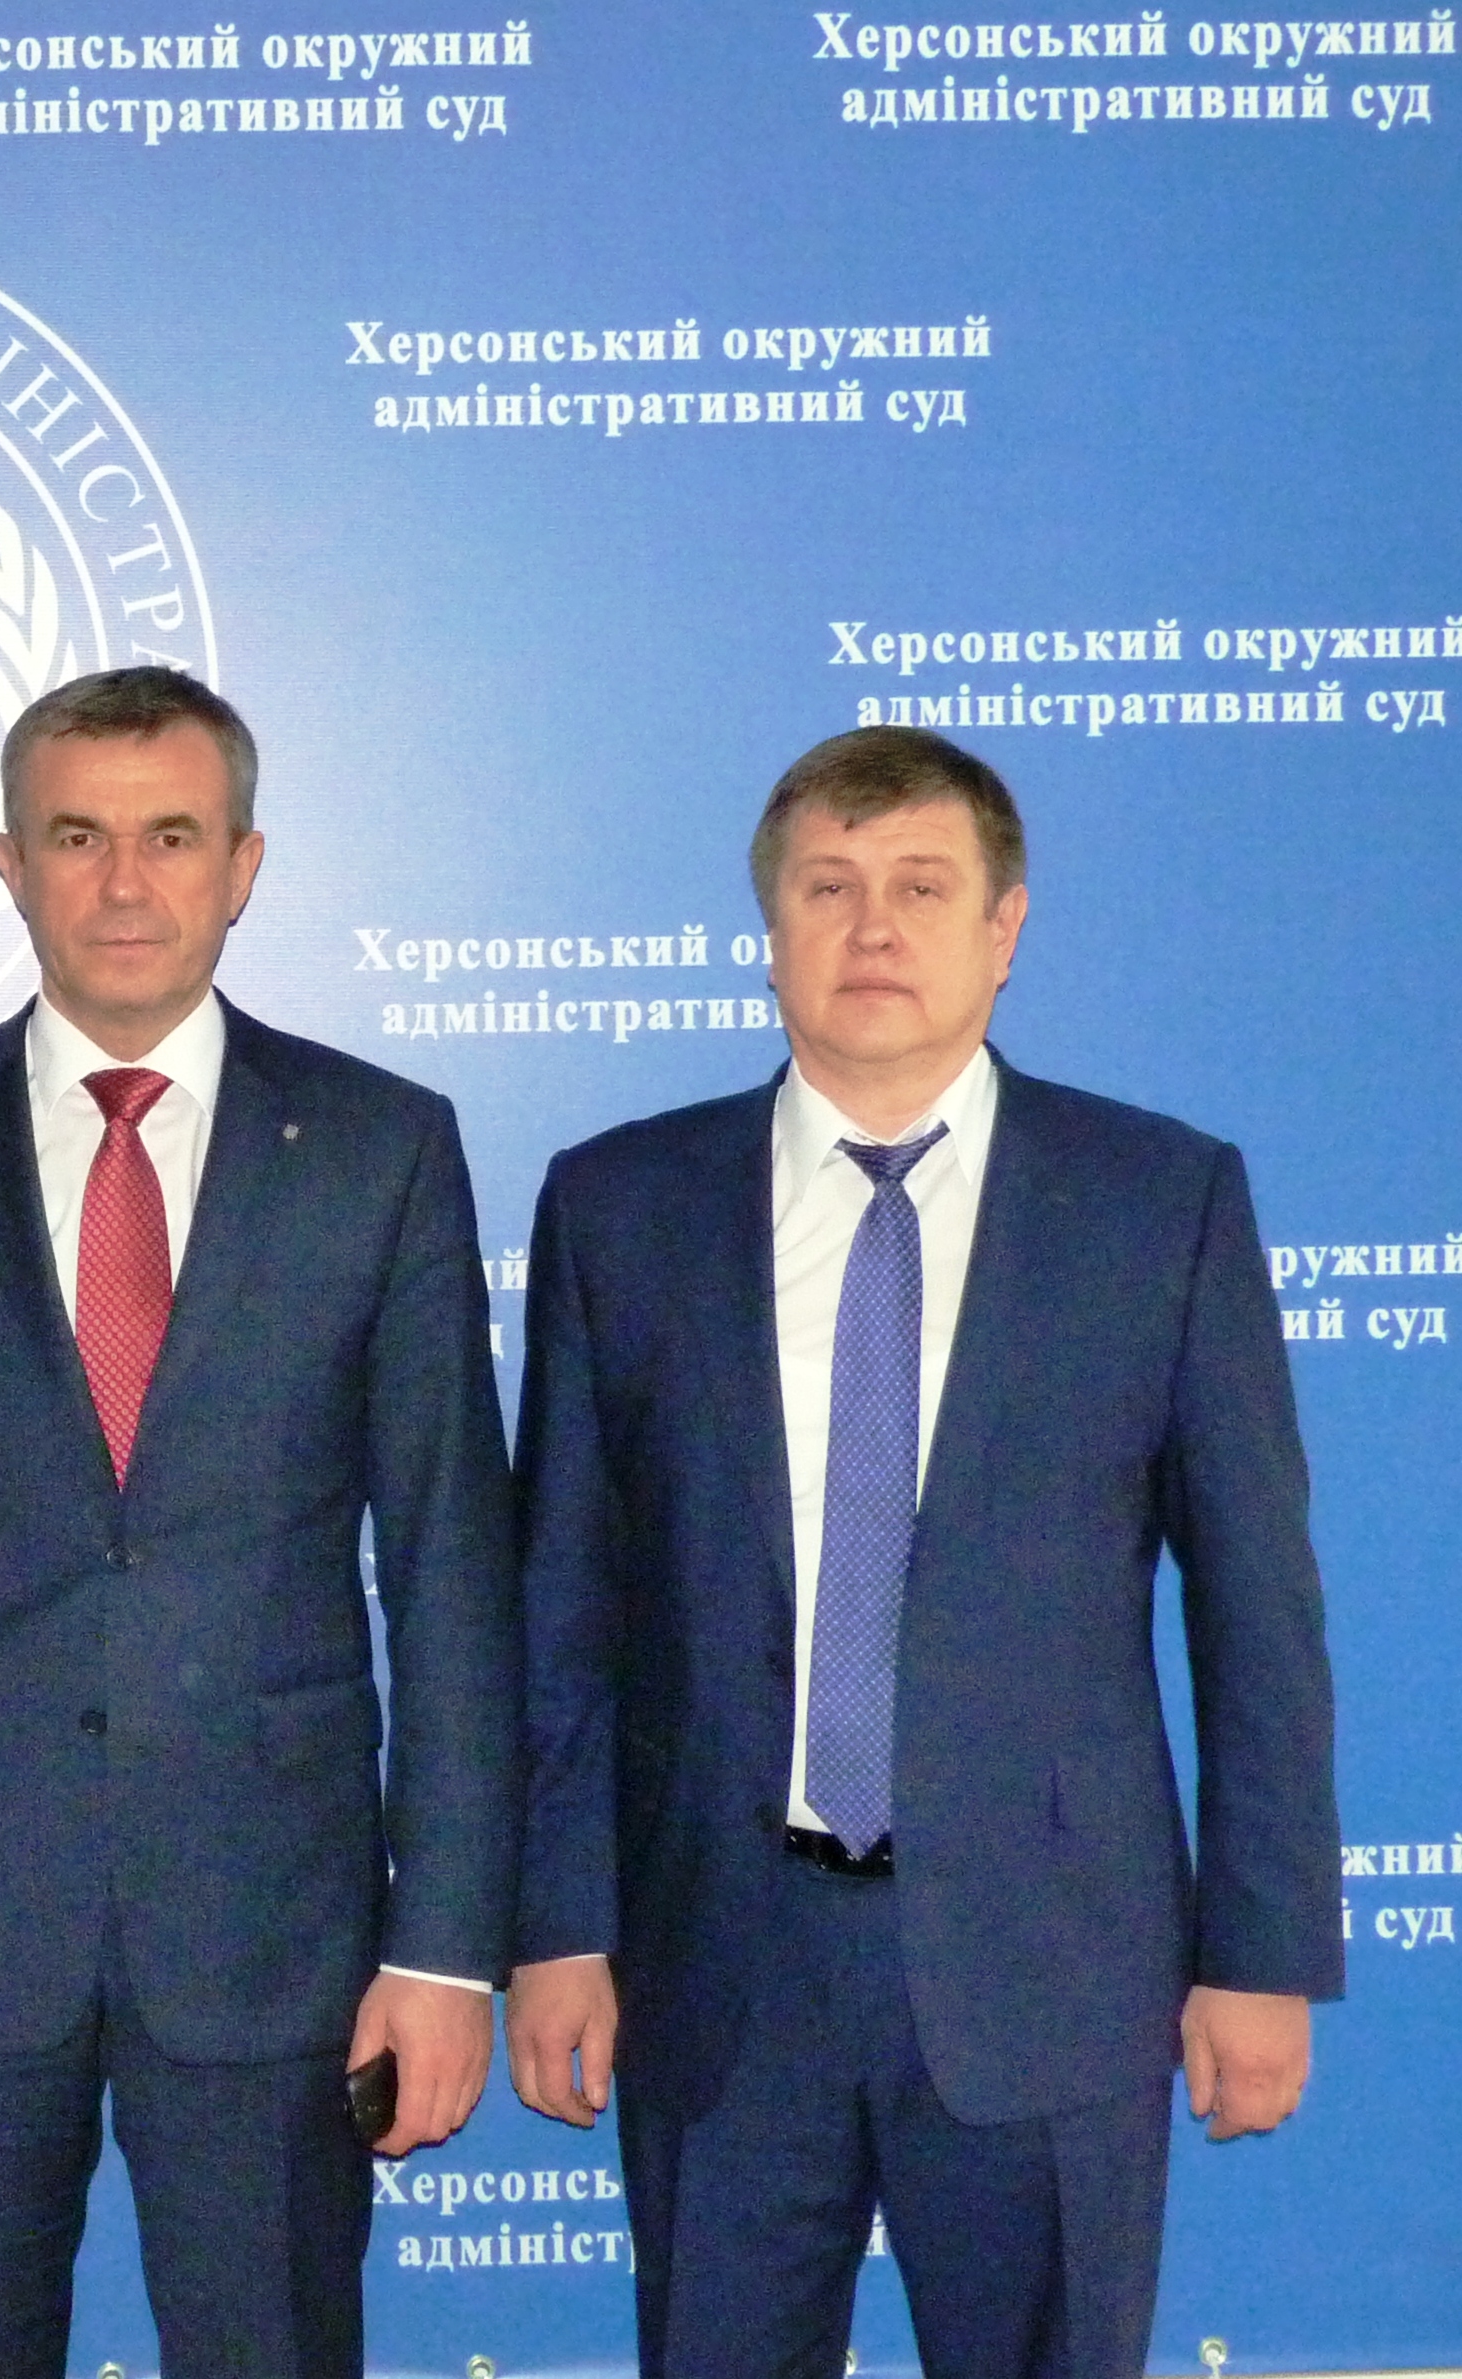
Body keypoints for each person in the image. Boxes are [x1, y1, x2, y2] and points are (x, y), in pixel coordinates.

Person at [507, 726, 1343, 2378]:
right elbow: (563, 1610)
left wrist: (1259, 1956)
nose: (873, 927)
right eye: (829, 887)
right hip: (720, 1961)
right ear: (771, 930)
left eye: (921, 887)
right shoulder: (621, 1207)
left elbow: (1259, 1611)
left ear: (1003, 927)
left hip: (1056, 1965)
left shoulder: (1156, 1201)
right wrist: (555, 1924)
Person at [0, 666, 520, 2379]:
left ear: (244, 866)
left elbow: (453, 1573)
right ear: (10, 866)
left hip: (275, 1934)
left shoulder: (379, 1148)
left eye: (171, 836)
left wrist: (447, 1947)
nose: (125, 883)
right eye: (78, 838)